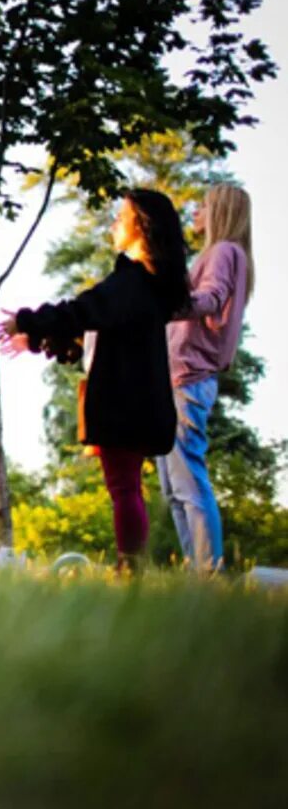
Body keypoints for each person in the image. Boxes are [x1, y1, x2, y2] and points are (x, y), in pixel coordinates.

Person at [0, 189, 189, 572]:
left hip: (124, 401)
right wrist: (34, 340)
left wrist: (27, 318)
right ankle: (129, 565)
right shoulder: (148, 289)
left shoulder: (132, 282)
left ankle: (129, 568)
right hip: (139, 401)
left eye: (122, 215)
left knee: (123, 487)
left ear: (141, 226)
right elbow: (92, 337)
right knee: (126, 485)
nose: (114, 222)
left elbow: (82, 311)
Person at [158, 185, 254, 570]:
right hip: (179, 379)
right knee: (173, 488)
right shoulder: (226, 254)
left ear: (221, 211)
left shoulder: (222, 252)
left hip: (189, 378)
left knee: (188, 483)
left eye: (203, 206)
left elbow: (211, 297)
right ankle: (196, 570)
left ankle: (207, 571)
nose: (195, 211)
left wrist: (163, 304)